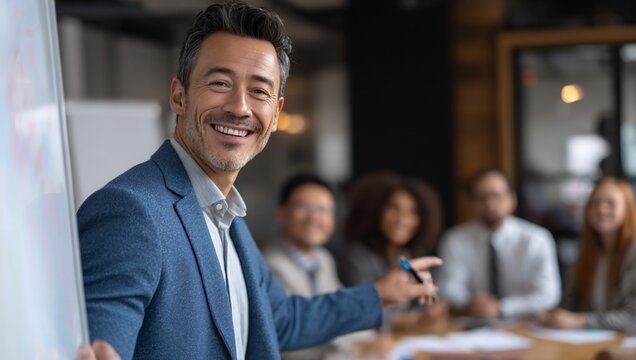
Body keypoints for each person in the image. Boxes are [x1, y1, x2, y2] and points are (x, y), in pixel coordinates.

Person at [76, 1, 441, 359]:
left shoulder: (225, 216)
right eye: (220, 82)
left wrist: (379, 294)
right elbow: (101, 343)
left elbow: (279, 320)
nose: (240, 107)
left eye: (259, 90)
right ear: (178, 95)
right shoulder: (130, 211)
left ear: (277, 112)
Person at [263, 173, 370, 359]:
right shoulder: (270, 265)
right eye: (303, 207)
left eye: (323, 210)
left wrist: (373, 339)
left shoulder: (323, 258)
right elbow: (296, 337)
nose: (314, 218)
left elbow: (341, 313)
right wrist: (357, 347)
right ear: (281, 213)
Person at [437, 168, 561, 319]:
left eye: (496, 196)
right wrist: (470, 302)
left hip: (524, 324)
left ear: (512, 199)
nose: (489, 203)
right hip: (472, 322)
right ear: (471, 202)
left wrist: (502, 308)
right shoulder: (455, 239)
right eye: (481, 197)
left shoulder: (537, 239)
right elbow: (447, 288)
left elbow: (548, 295)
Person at [538, 177, 636, 334]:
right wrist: (555, 316)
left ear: (627, 209)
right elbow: (570, 305)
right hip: (587, 341)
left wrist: (580, 321)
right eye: (595, 203)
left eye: (610, 203)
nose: (601, 209)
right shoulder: (587, 252)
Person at [337, 171, 443, 287]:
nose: (402, 218)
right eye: (394, 208)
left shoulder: (412, 256)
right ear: (377, 211)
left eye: (413, 212)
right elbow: (363, 300)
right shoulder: (357, 257)